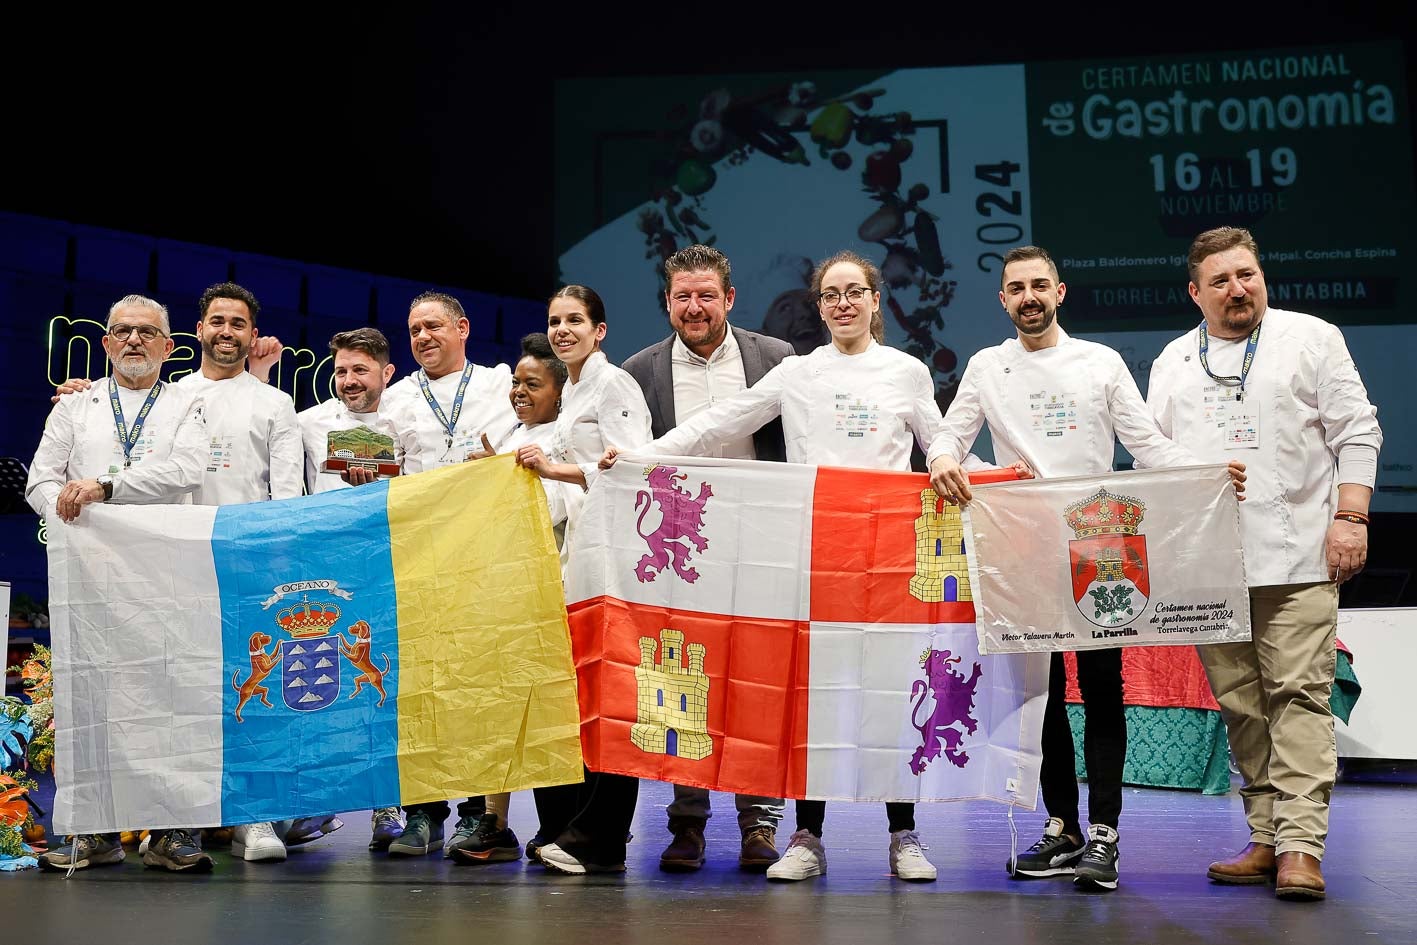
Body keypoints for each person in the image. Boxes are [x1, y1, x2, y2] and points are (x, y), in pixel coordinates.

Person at [602, 250, 945, 884]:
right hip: (811, 556)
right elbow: (720, 421)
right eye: (832, 295)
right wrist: (642, 457)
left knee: (892, 694)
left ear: (876, 301)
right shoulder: (797, 372)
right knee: (814, 694)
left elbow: (941, 438)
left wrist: (968, 468)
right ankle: (807, 838)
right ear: (821, 308)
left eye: (855, 292)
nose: (843, 303)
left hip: (887, 562)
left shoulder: (907, 371)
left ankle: (904, 836)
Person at [927, 246, 1245, 893]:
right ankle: (1061, 827)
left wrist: (1205, 474)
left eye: (1038, 284)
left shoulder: (1098, 363)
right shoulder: (988, 367)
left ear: (1060, 291)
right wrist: (938, 459)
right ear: (1002, 300)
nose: (1028, 296)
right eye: (1015, 287)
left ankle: (1104, 833)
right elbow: (947, 436)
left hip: (1100, 546)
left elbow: (1148, 445)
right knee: (1040, 698)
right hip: (1020, 549)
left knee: (1101, 687)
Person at [1145, 226, 1381, 901]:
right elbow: (1153, 458)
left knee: (1298, 697)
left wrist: (1351, 517)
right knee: (1243, 707)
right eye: (1219, 280)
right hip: (1207, 564)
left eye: (1245, 273)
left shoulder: (1310, 337)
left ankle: (1302, 847)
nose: (1237, 288)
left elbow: (1356, 430)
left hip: (1300, 550)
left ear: (1260, 276)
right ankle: (1266, 836)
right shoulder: (1170, 362)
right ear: (1196, 292)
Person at [50, 282, 312, 865]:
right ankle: (175, 821)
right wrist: (80, 393)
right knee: (171, 695)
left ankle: (258, 815)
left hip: (245, 560)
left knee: (251, 688)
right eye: (215, 321)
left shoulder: (272, 403)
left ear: (251, 333)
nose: (225, 332)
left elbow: (287, 492)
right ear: (194, 335)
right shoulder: (171, 394)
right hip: (167, 565)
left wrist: (278, 559)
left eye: (237, 323)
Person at [621, 243, 793, 872]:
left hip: (758, 544)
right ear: (667, 301)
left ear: (730, 298)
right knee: (676, 677)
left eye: (705, 295)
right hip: (675, 551)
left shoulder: (775, 358)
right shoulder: (638, 371)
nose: (694, 307)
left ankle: (760, 823)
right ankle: (687, 822)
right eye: (682, 296)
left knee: (756, 678)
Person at [26, 295, 210, 872]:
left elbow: (187, 470)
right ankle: (94, 831)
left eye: (147, 333)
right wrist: (70, 527)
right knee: (92, 698)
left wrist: (104, 488)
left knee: (174, 697)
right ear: (104, 343)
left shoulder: (186, 405)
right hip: (91, 574)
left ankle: (175, 828)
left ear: (168, 346)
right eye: (122, 332)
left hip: (167, 572)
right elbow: (40, 481)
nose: (134, 341)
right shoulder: (73, 410)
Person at [515, 284, 652, 875]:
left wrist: (554, 468)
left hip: (619, 559)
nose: (563, 330)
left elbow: (638, 466)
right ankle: (584, 833)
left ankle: (598, 836)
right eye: (555, 321)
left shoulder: (614, 383)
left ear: (600, 331)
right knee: (588, 701)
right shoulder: (572, 392)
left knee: (615, 700)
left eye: (575, 320)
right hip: (583, 561)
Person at [378, 291, 519, 858]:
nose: (423, 338)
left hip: (485, 551)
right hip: (418, 553)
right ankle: (421, 812)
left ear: (463, 328)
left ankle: (475, 813)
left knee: (480, 687)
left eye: (433, 326)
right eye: (414, 330)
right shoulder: (396, 397)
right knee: (417, 687)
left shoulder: (498, 383)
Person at [448, 332, 578, 866]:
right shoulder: (502, 432)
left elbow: (553, 509)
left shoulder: (564, 438)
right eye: (516, 383)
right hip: (496, 592)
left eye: (533, 384)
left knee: (548, 715)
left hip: (554, 593)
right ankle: (492, 823)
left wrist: (501, 485)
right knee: (493, 708)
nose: (520, 392)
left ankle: (558, 829)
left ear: (561, 390)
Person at [293, 327, 408, 850]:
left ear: (387, 373)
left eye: (360, 370)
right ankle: (319, 803)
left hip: (388, 567)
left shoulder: (409, 422)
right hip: (323, 575)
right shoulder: (308, 423)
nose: (348, 380)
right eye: (340, 370)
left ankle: (390, 807)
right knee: (319, 690)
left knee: (382, 687)